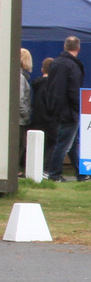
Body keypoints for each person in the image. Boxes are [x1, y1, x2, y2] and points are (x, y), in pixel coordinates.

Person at [45, 36, 85, 181]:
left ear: (64, 46)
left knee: (71, 142)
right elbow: (73, 90)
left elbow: (51, 86)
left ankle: (81, 172)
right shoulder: (72, 66)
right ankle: (54, 173)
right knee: (63, 144)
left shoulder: (55, 63)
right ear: (78, 48)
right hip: (69, 110)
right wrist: (78, 107)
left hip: (56, 108)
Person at [13, 49, 27, 182]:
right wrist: (26, 114)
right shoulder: (20, 77)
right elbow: (20, 99)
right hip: (20, 118)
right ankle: (15, 169)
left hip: (18, 117)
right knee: (19, 144)